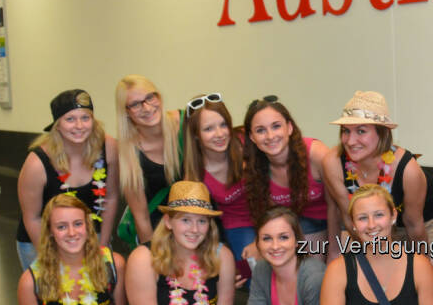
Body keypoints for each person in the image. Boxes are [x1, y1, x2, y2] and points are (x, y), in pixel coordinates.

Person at [324, 90, 433, 305]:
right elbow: (346, 217)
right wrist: (337, 255)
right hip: (369, 225)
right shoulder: (333, 163)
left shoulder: (408, 169)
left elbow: (414, 224)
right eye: (346, 132)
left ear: (382, 133)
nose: (351, 140)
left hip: (423, 223)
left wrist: (424, 265)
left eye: (361, 131)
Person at [17, 89, 119, 270]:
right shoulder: (37, 163)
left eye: (85, 118)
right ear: (57, 125)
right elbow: (32, 217)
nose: (79, 126)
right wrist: (52, 262)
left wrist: (102, 246)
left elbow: (110, 198)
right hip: (42, 241)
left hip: (89, 236)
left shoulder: (107, 147)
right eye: (70, 119)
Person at [241, 96, 336, 262]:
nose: (270, 136)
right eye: (260, 130)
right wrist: (258, 242)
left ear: (289, 127)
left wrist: (334, 251)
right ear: (252, 137)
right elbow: (269, 215)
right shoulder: (252, 168)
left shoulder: (316, 154)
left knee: (313, 267)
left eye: (276, 126)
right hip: (297, 225)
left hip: (333, 220)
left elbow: (335, 206)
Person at [182, 93, 251, 276]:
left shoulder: (246, 141)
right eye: (209, 129)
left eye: (223, 125)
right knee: (250, 269)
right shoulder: (194, 175)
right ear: (196, 135)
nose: (220, 134)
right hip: (238, 227)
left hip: (271, 214)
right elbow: (193, 224)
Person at [115, 75, 182, 246]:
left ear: (158, 97)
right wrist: (152, 252)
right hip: (159, 230)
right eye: (135, 104)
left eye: (150, 97)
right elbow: (141, 216)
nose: (146, 108)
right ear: (126, 112)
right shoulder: (129, 152)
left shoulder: (185, 124)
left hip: (200, 218)